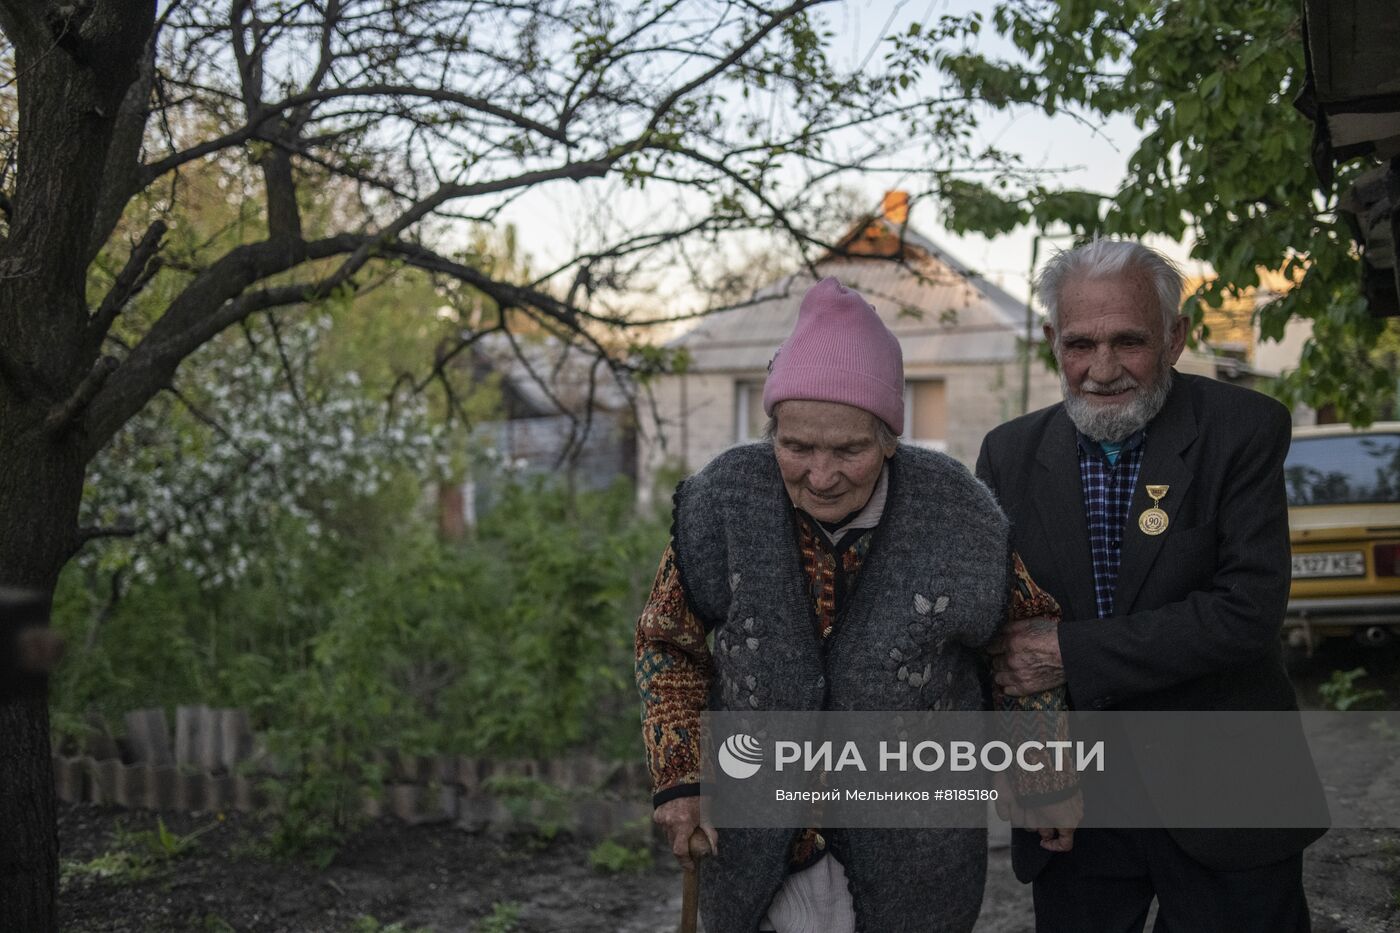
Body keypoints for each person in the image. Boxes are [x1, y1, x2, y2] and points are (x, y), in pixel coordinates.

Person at [634, 277, 1014, 933]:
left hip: (918, 847)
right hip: (753, 840)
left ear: (891, 436)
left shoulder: (960, 513)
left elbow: (1026, 647)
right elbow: (669, 642)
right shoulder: (725, 499)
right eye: (797, 446)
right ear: (772, 429)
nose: (821, 473)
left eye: (849, 449)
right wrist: (681, 777)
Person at [977, 238, 1326, 932]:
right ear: (1052, 339)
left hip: (1229, 799)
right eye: (1080, 343)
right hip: (1078, 809)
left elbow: (1245, 612)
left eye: (1128, 341)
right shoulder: (1008, 453)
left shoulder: (1245, 429)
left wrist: (1070, 651)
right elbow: (1002, 639)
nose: (1102, 369)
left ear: (1175, 337)